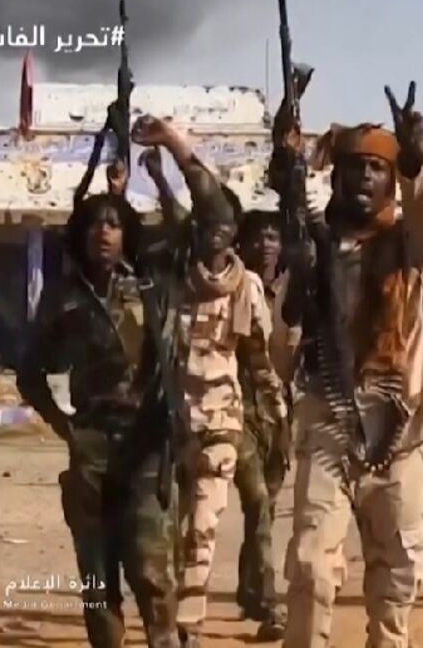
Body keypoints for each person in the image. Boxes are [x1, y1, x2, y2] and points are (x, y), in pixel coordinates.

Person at [279, 83, 423, 648]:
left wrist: (415, 162)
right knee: (309, 567)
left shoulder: (409, 248)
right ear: (336, 177)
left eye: (379, 168)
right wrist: (301, 277)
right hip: (330, 425)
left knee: (396, 576)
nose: (367, 179)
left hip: (398, 432)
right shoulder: (313, 246)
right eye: (356, 167)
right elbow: (285, 345)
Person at [18, 127, 182, 648]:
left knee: (152, 570)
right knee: (96, 579)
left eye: (114, 224)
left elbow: (191, 231)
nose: (104, 233)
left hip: (146, 442)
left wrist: (154, 178)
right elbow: (29, 373)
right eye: (94, 225)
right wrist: (67, 428)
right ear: (80, 236)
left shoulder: (152, 286)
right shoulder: (61, 299)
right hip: (91, 444)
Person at [129, 118, 290, 647]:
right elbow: (187, 208)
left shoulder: (243, 288)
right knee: (168, 533)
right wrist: (155, 173)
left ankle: (193, 625)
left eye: (222, 231)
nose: (213, 236)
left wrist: (278, 419)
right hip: (171, 423)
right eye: (206, 230)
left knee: (206, 526)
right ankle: (168, 621)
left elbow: (261, 363)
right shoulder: (175, 276)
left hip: (224, 423)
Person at [232, 208, 297, 640]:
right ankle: (271, 603)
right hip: (238, 411)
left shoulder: (296, 292)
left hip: (282, 414)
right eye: (257, 237)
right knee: (256, 500)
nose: (265, 244)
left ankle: (249, 589)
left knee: (267, 508)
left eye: (273, 236)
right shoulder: (232, 287)